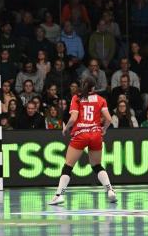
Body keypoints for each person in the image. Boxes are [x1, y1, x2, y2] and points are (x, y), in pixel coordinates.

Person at [48, 76, 116, 206]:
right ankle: (110, 190)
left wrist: (66, 129)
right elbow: (108, 119)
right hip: (96, 134)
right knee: (97, 165)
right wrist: (104, 129)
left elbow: (73, 119)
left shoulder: (76, 98)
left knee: (68, 166)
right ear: (94, 87)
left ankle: (59, 195)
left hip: (80, 134)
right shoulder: (101, 99)